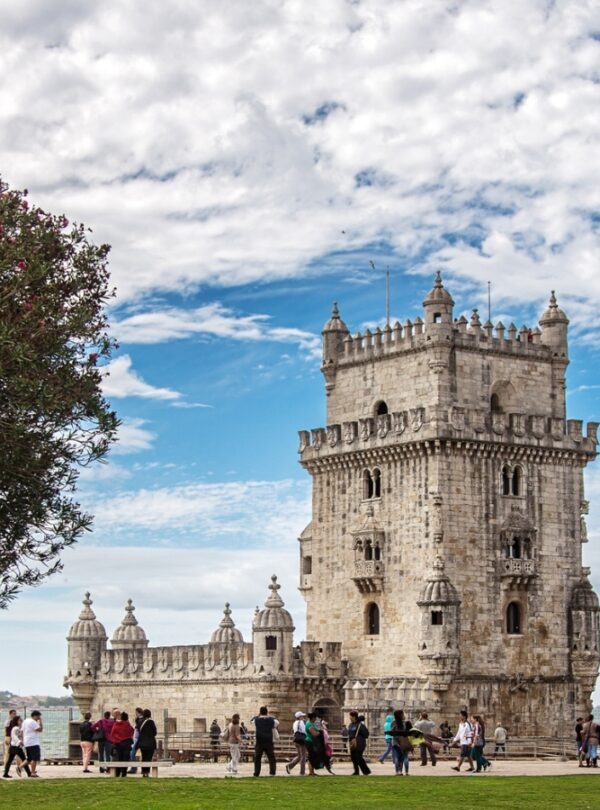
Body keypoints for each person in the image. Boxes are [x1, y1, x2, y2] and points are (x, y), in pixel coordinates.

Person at [252, 706, 278, 777]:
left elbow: (252, 721)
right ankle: (272, 772)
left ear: (260, 712)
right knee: (271, 757)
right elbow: (277, 723)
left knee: (257, 757)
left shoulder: (256, 720)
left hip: (259, 740)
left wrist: (258, 716)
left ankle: (256, 772)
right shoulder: (271, 720)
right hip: (268, 740)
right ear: (267, 712)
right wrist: (269, 717)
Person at [111, 710, 135, 777]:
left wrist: (115, 740)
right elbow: (132, 731)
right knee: (125, 759)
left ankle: (117, 773)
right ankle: (124, 773)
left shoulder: (116, 724)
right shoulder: (127, 724)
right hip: (126, 744)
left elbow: (112, 733)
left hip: (118, 744)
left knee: (119, 758)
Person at [348, 710, 371, 776]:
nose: (349, 717)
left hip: (360, 743)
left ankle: (366, 771)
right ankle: (356, 771)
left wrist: (358, 737)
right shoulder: (351, 725)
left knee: (358, 757)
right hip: (353, 743)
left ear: (353, 716)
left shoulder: (360, 725)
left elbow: (366, 734)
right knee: (353, 758)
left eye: (350, 716)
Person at [390, 709, 412, 776]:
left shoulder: (393, 723)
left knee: (397, 757)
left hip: (395, 741)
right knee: (405, 756)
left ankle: (398, 771)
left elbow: (391, 732)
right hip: (404, 741)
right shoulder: (405, 723)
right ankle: (407, 772)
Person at [22, 710, 43, 777]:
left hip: (27, 741)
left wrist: (22, 740)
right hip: (33, 742)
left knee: (29, 758)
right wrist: (41, 722)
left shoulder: (25, 721)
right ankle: (33, 772)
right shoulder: (33, 722)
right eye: (38, 717)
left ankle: (20, 767)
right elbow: (40, 730)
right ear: (35, 716)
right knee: (34, 758)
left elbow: (22, 730)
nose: (38, 718)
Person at [137, 709, 157, 777]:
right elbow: (155, 732)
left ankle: (143, 771)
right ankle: (147, 772)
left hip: (142, 743)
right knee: (148, 758)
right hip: (150, 743)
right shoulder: (151, 722)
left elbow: (138, 731)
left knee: (144, 757)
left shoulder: (140, 722)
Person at [286, 711, 307, 775]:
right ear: (299, 717)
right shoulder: (301, 722)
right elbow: (304, 731)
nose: (303, 717)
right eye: (302, 716)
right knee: (303, 756)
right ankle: (302, 772)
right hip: (301, 740)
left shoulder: (295, 722)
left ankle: (290, 766)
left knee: (299, 756)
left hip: (296, 739)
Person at [128, 707, 144, 774]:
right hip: (136, 739)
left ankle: (134, 768)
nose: (136, 714)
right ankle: (134, 768)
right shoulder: (138, 719)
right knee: (132, 753)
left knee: (132, 753)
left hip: (138, 739)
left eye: (136, 712)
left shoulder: (142, 720)